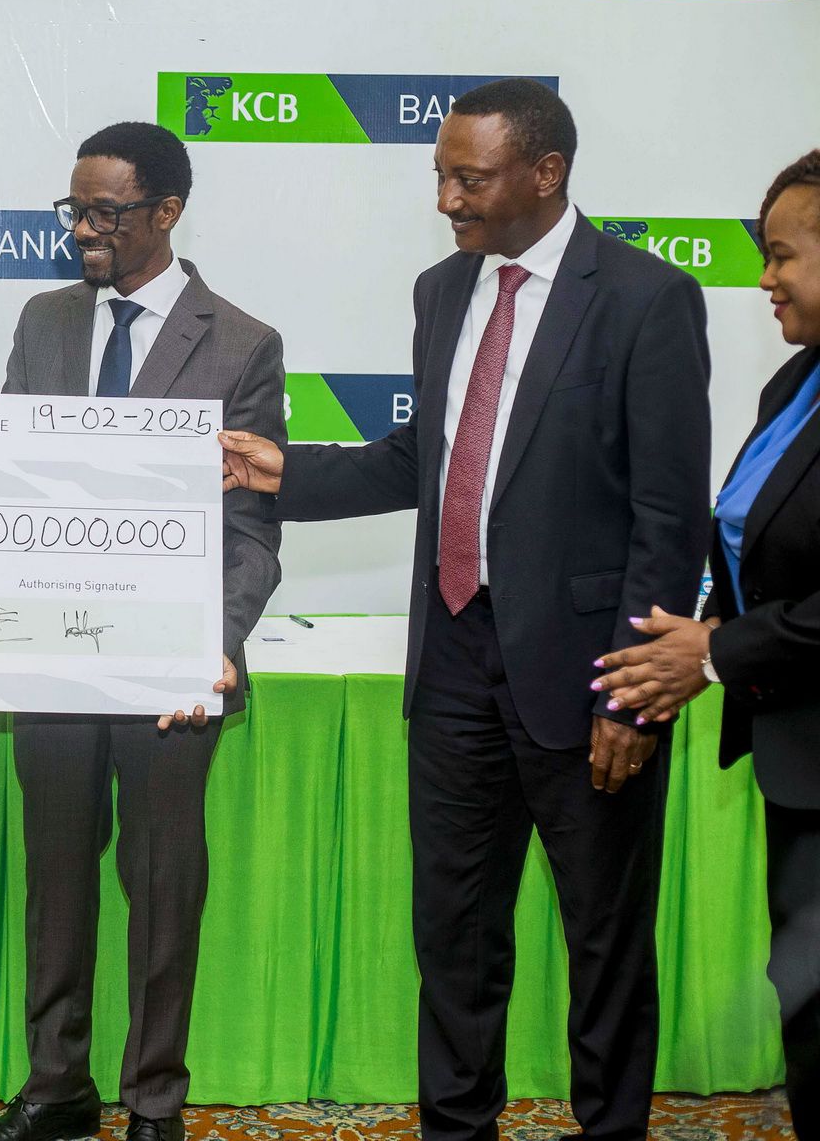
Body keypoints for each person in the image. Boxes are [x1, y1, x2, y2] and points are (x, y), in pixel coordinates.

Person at [220, 78, 712, 1141]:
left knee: (604, 941)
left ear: (547, 172)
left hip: (589, 674)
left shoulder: (645, 297)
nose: (446, 198)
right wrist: (286, 472)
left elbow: (670, 517)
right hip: (451, 663)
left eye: (469, 178)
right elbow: (428, 455)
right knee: (453, 934)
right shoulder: (443, 290)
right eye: (441, 174)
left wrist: (633, 694)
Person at [0, 121, 282, 1141]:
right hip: (48, 652)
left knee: (161, 882)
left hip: (171, 665)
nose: (83, 230)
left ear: (167, 211)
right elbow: (16, 489)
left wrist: (215, 638)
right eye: (75, 210)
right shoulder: (45, 319)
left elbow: (250, 530)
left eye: (106, 213)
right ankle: (57, 1088)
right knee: (55, 875)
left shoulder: (243, 343)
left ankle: (154, 1103)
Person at [595, 148, 820, 1138]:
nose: (764, 278)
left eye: (783, 255)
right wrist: (693, 643)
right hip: (796, 755)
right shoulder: (794, 383)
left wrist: (717, 653)